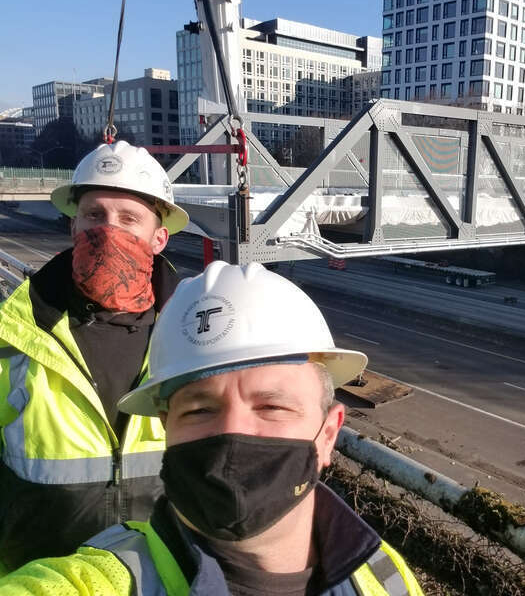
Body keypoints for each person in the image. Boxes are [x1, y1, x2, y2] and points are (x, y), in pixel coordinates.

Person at [0, 261, 423, 595]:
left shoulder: (384, 577)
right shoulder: (97, 584)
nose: (232, 433)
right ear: (166, 430)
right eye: (200, 410)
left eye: (272, 406)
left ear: (328, 433)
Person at [0, 140, 189, 573]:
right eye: (93, 215)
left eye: (128, 219)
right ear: (73, 226)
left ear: (158, 238)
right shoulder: (12, 337)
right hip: (36, 576)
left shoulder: (192, 340)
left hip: (157, 577)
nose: (108, 230)